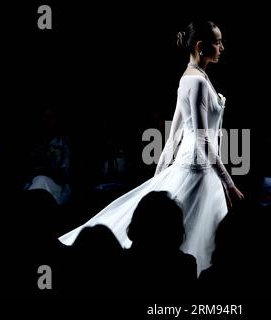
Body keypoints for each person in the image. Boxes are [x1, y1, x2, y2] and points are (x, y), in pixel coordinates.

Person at [59, 20, 244, 275]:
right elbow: (200, 138)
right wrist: (229, 183)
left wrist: (157, 181)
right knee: (192, 239)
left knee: (196, 237)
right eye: (218, 41)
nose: (222, 46)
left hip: (201, 171)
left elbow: (174, 136)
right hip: (199, 171)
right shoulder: (196, 81)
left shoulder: (192, 77)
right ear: (201, 46)